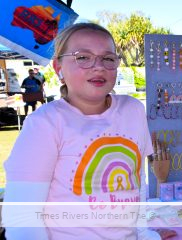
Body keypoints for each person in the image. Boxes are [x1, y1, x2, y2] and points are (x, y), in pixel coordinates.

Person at [2, 22, 170, 240]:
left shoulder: (133, 110)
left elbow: (137, 184)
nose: (98, 66)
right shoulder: (45, 123)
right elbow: (23, 218)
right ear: (58, 68)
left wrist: (145, 234)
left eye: (108, 58)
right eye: (83, 57)